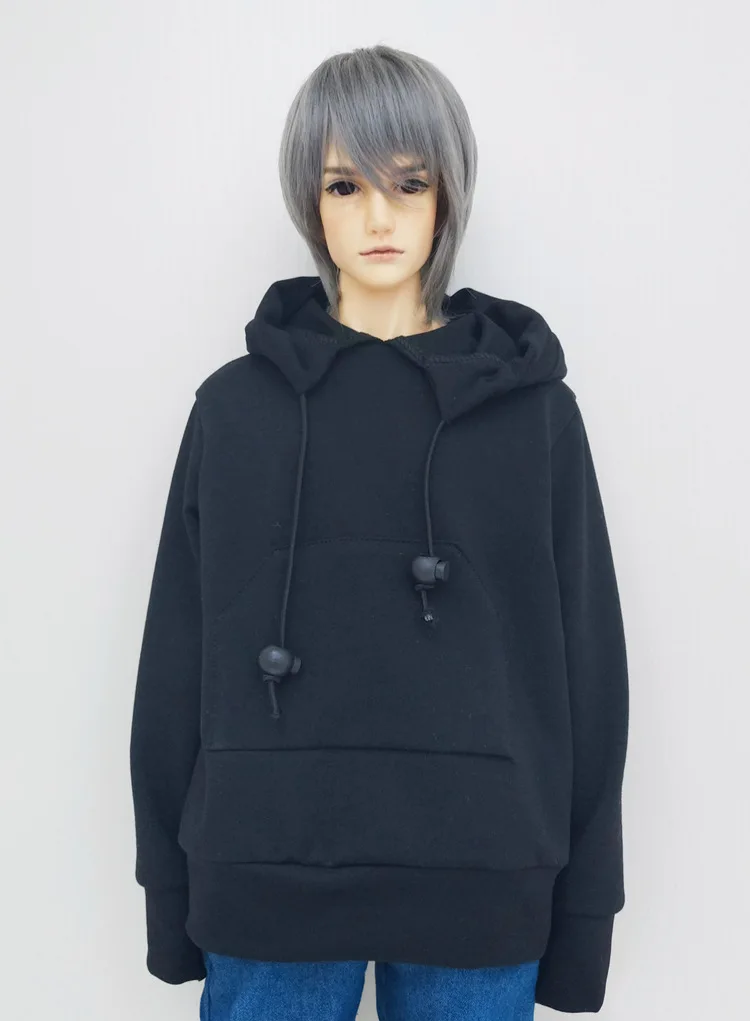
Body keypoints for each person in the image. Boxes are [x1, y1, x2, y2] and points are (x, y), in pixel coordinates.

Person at [129, 43, 629, 1019]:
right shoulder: (234, 412)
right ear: (309, 201)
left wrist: (585, 912)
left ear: (448, 195)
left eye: (409, 182)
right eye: (344, 184)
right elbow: (175, 661)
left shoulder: (534, 417)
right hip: (266, 871)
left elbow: (586, 673)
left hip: (482, 875)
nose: (378, 216)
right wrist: (169, 886)